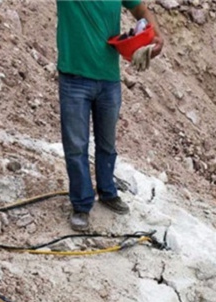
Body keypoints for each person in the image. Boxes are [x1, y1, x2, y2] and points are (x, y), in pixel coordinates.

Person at [56, 1, 164, 231]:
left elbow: (141, 10)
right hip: (74, 78)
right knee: (76, 146)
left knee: (107, 143)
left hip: (109, 79)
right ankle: (82, 204)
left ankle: (107, 192)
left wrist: (155, 36)